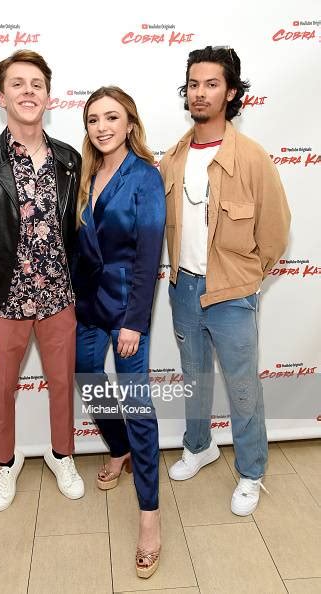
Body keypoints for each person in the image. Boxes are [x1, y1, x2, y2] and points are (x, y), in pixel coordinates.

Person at [160, 46, 290, 515]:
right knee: (194, 377)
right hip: (184, 287)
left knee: (241, 386)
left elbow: (275, 231)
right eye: (194, 83)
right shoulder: (173, 157)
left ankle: (252, 472)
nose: (200, 92)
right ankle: (199, 445)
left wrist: (248, 280)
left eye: (211, 84)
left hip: (233, 292)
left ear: (231, 93)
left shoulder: (252, 158)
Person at [0, 50, 84, 512]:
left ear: (48, 96)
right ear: (1, 96)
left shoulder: (70, 160)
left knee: (61, 384)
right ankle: (4, 465)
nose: (28, 91)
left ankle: (62, 454)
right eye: (18, 84)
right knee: (1, 389)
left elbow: (76, 229)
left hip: (58, 299)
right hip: (3, 302)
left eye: (37, 84)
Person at [73, 86, 165, 577]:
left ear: (130, 122)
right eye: (93, 119)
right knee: (87, 376)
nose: (102, 127)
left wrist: (134, 321)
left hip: (128, 308)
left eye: (112, 117)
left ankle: (149, 518)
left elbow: (150, 253)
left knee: (137, 406)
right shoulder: (85, 174)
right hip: (87, 305)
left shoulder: (145, 176)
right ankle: (120, 448)